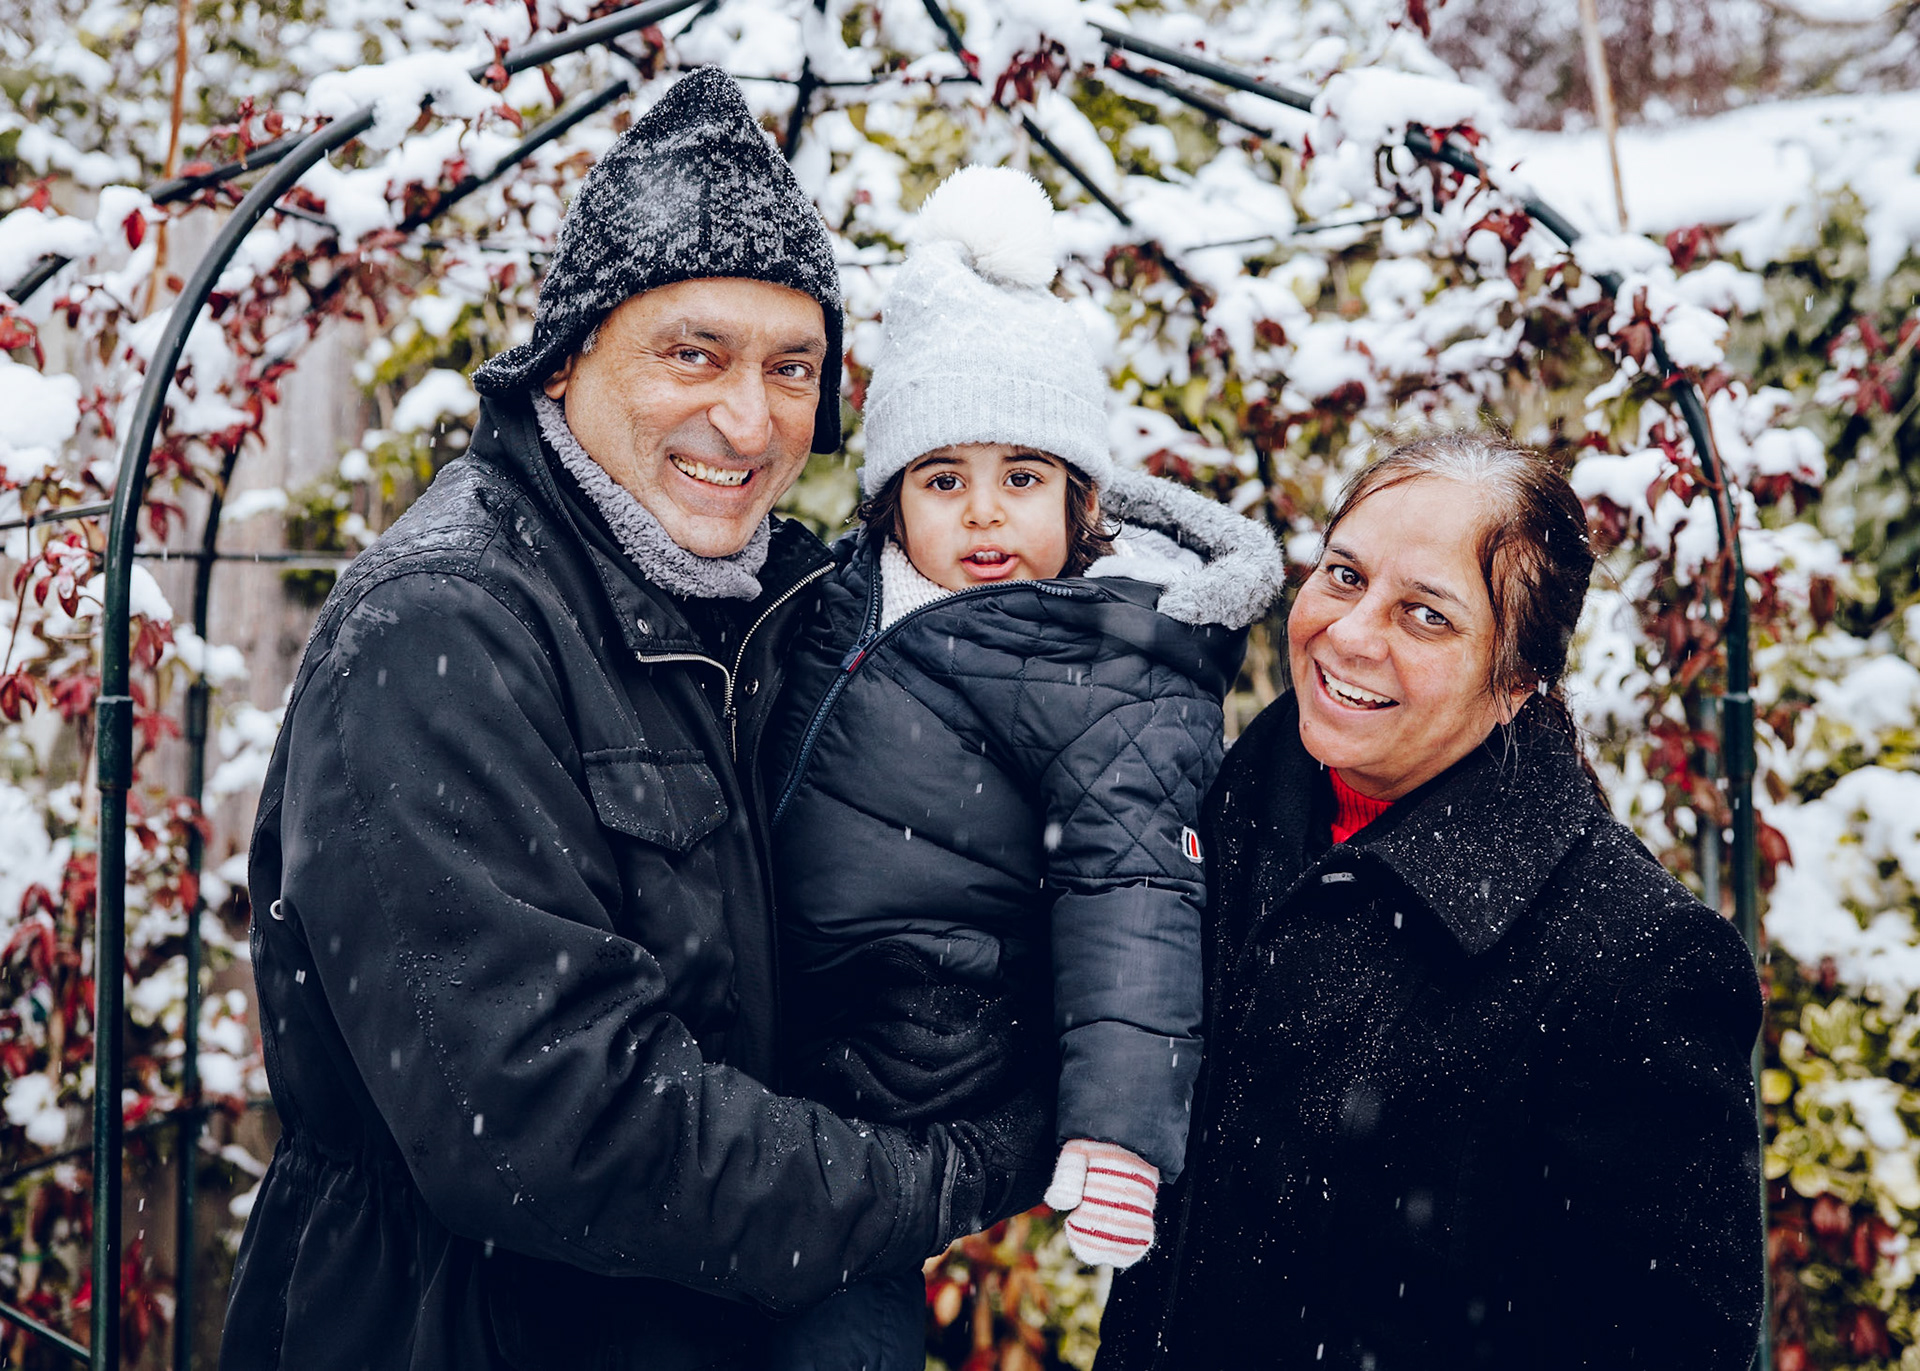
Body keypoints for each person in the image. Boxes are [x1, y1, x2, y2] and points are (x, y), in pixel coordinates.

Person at [220, 70, 1050, 1371]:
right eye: (693, 353)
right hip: (463, 1332)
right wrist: (940, 1173)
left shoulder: (768, 612)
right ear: (566, 355)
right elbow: (557, 1123)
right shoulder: (446, 627)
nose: (749, 418)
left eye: (792, 367)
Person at [760, 166, 1284, 1370]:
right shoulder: (840, 597)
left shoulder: (1112, 664)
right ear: (892, 501)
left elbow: (1136, 889)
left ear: (1082, 497)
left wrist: (1120, 1133)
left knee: (831, 1314)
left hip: (907, 1062)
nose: (985, 514)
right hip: (774, 1033)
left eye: (1024, 478)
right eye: (944, 479)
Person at [1094, 434, 1767, 1370]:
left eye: (1426, 615)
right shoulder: (1226, 806)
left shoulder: (1633, 960)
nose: (1350, 634)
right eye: (1344, 575)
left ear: (1519, 678)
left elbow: (1664, 1346)